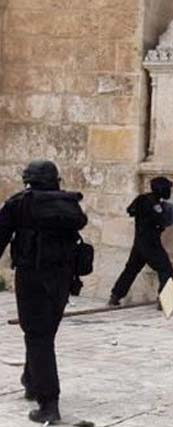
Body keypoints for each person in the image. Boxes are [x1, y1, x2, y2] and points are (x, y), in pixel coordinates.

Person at [0, 160, 88, 424]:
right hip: (63, 280)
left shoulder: (20, 204)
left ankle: (49, 404)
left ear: (29, 180)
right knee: (43, 333)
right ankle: (31, 381)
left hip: (32, 278)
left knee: (37, 336)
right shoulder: (68, 204)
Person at [108, 176, 173, 306]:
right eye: (167, 189)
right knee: (166, 270)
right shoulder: (151, 203)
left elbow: (164, 210)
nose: (169, 191)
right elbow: (164, 219)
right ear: (161, 189)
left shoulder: (147, 199)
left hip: (140, 243)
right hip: (150, 244)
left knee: (131, 270)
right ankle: (165, 302)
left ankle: (115, 296)